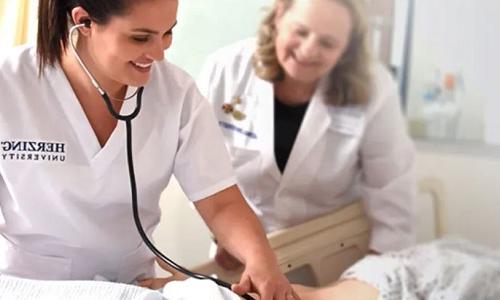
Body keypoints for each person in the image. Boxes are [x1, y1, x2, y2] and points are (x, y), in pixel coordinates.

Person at [0, 0, 298, 299]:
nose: (158, 53)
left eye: (167, 33)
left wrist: (263, 262)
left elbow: (220, 203)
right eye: (140, 38)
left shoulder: (176, 93)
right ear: (85, 21)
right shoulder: (9, 84)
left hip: (130, 287)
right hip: (30, 287)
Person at [197, 0, 416, 269]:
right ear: (279, 16)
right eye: (300, 32)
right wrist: (227, 235)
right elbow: (202, 170)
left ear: (347, 47)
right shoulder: (226, 70)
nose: (309, 50)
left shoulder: (373, 87)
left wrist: (379, 273)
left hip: (333, 250)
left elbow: (392, 192)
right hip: (242, 249)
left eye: (328, 43)